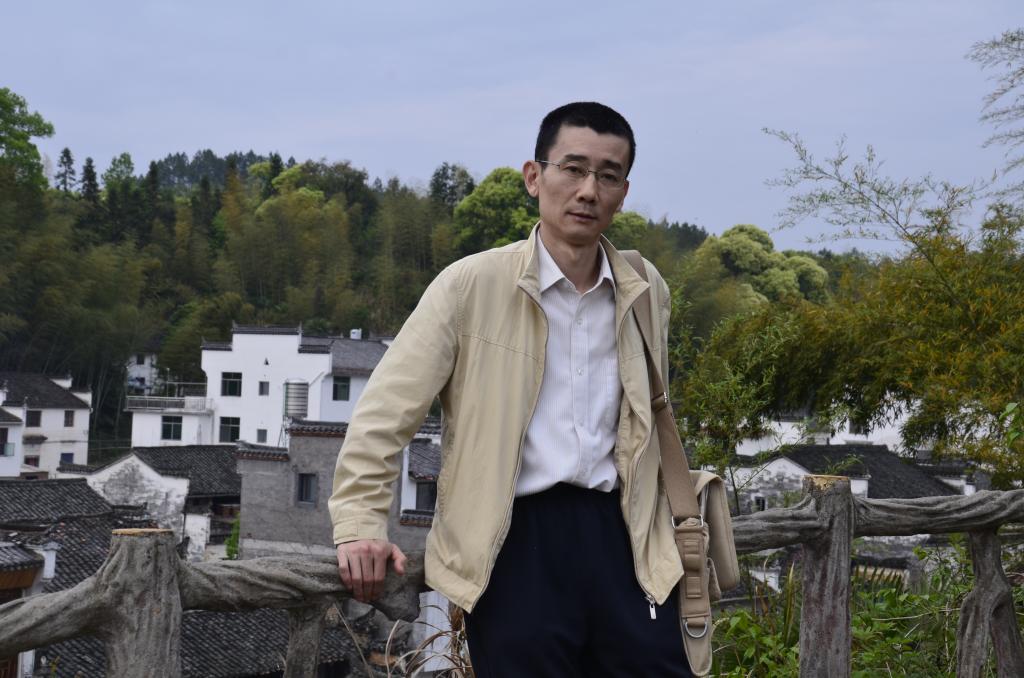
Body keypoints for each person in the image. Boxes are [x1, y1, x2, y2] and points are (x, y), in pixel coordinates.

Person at [329, 101, 692, 677]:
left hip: (623, 534)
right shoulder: (471, 285)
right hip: (514, 540)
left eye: (608, 175)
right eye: (573, 168)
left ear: (623, 192)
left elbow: (646, 420)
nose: (588, 190)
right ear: (534, 176)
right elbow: (384, 414)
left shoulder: (646, 289)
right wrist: (359, 527)